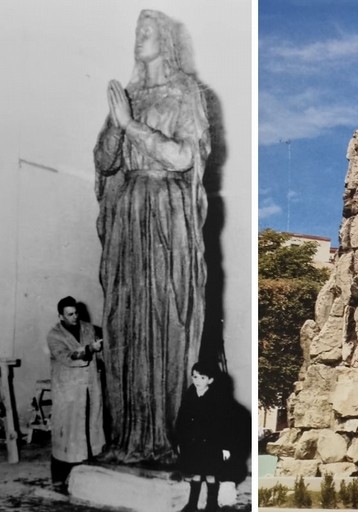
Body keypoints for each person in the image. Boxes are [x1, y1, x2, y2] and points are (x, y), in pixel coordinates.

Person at [93, 9, 210, 463]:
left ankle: (164, 437)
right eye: (135, 32)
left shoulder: (187, 93)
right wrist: (114, 124)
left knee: (164, 317)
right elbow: (105, 163)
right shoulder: (130, 94)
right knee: (125, 319)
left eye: (147, 32)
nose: (138, 39)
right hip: (128, 213)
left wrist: (129, 126)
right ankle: (125, 436)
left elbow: (183, 157)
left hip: (165, 212)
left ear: (164, 40)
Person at [46, 296, 105, 492]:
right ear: (60, 316)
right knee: (66, 433)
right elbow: (66, 356)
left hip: (89, 387)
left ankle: (87, 473)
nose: (74, 317)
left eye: (76, 312)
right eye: (69, 314)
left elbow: (102, 353)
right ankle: (59, 478)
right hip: (69, 391)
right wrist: (89, 349)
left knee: (90, 429)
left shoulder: (89, 328)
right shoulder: (54, 335)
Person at [174, 361, 231, 512]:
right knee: (196, 474)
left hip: (212, 444)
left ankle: (211, 505)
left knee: (211, 474)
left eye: (202, 378)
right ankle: (192, 504)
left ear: (210, 380)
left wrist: (225, 447)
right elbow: (181, 420)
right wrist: (180, 441)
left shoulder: (217, 398)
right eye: (195, 377)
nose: (197, 381)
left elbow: (224, 425)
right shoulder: (189, 395)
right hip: (193, 444)